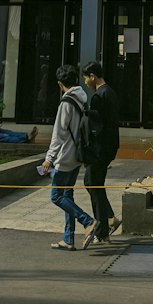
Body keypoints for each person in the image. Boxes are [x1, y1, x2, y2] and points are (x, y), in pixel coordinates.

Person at [40, 64, 94, 251]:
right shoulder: (82, 97)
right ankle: (68, 239)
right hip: (78, 154)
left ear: (60, 83)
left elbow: (59, 134)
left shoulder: (65, 103)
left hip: (65, 156)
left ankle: (88, 222)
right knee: (67, 195)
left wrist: (49, 158)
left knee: (56, 197)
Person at [81, 59, 121, 248]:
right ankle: (111, 217)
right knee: (92, 183)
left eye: (86, 79)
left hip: (98, 150)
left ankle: (103, 230)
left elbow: (95, 128)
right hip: (109, 147)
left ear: (92, 76)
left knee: (93, 185)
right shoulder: (110, 92)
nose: (85, 83)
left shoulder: (98, 96)